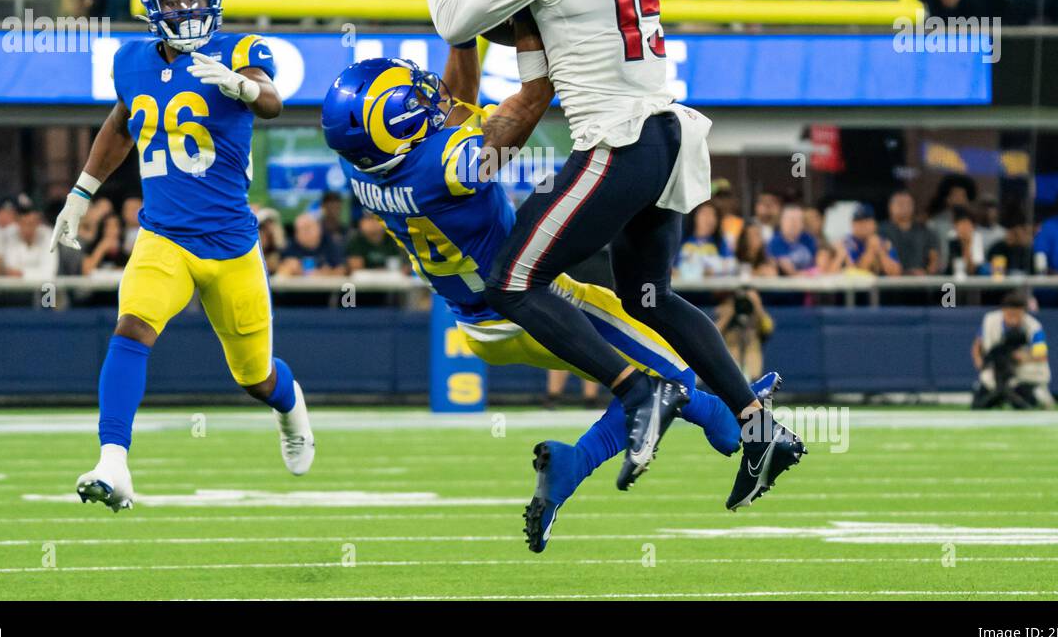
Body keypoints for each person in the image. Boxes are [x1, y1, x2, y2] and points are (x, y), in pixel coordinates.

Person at [412, 0, 804, 508]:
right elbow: (559, 18)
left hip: (616, 141)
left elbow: (455, 22)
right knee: (648, 296)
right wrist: (504, 9)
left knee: (512, 281)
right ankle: (757, 426)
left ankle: (640, 390)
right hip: (667, 134)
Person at [322, 43, 780, 553]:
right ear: (395, 124)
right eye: (412, 99)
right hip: (530, 304)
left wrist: (461, 32)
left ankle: (727, 419)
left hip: (478, 327)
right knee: (669, 376)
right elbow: (531, 100)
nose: (430, 97)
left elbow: (459, 102)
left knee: (663, 378)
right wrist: (540, 44)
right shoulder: (446, 166)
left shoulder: (362, 170)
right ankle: (600, 458)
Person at [49, 0, 314, 513]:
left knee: (255, 377)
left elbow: (270, 101)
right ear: (154, 7)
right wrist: (80, 193)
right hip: (164, 236)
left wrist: (243, 88)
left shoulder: (241, 50)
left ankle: (291, 409)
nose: (189, 7)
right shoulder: (131, 60)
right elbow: (122, 123)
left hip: (231, 244)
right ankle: (113, 462)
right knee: (131, 330)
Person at [971, 290, 1055, 410]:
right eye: (1010, 315)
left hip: (1022, 372)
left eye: (1018, 315)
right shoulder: (990, 321)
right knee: (980, 400)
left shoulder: (1034, 327)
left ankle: (1037, 394)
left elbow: (1042, 355)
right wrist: (978, 360)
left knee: (1027, 399)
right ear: (1003, 311)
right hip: (997, 370)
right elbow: (977, 344)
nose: (1014, 320)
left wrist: (1023, 357)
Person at [879, 189, 938, 275]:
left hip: (921, 282)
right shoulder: (881, 231)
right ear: (890, 207)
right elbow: (879, 260)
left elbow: (934, 258)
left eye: (908, 204)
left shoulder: (925, 231)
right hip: (891, 283)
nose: (904, 207)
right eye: (900, 204)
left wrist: (927, 273)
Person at [2, 195, 58, 281]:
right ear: (17, 222)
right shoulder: (9, 233)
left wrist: (22, 274)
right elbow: (10, 271)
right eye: (23, 223)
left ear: (39, 222)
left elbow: (49, 273)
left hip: (41, 289)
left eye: (31, 223)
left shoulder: (48, 234)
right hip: (12, 291)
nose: (27, 229)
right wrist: (34, 272)